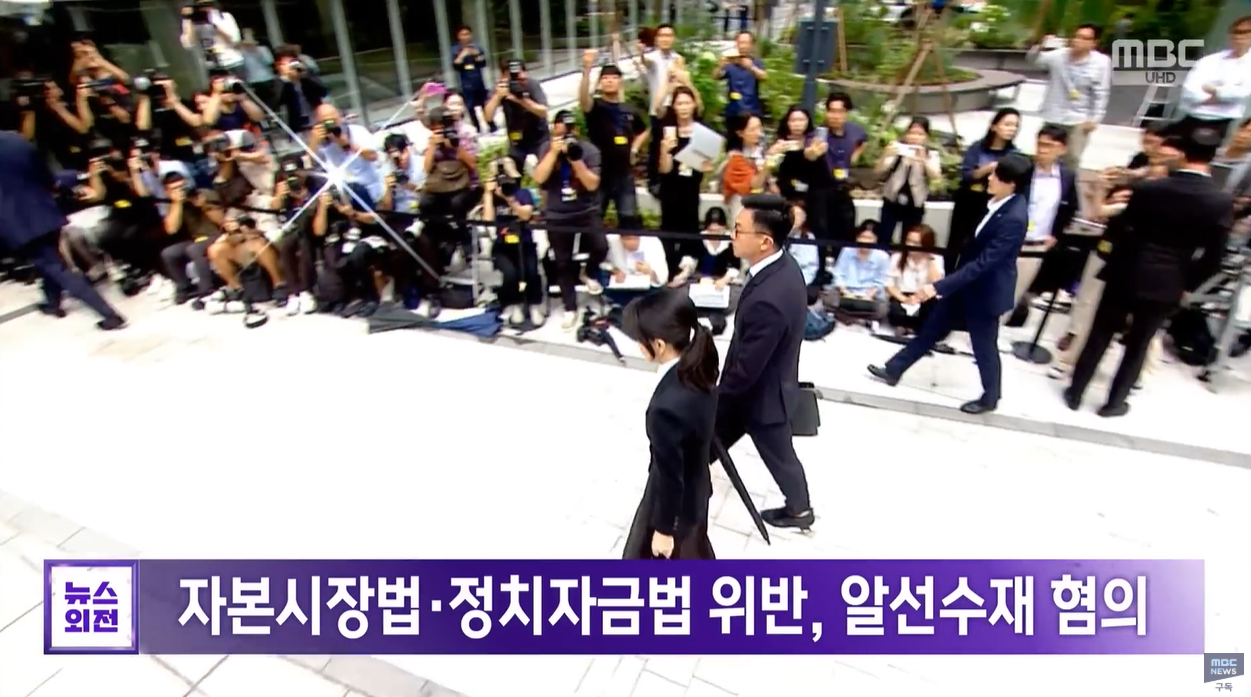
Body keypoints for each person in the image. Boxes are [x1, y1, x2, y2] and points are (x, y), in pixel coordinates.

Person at [1065, 128, 1232, 417]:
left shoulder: (1150, 189)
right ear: (1213, 157)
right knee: (1139, 344)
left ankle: (1076, 392)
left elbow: (1124, 229)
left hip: (1127, 270)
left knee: (1100, 334)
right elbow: (1214, 256)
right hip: (1170, 279)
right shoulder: (1219, 201)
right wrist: (1188, 284)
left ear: (1182, 153)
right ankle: (1114, 402)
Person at [868, 153, 1034, 415]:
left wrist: (938, 286)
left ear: (1011, 183)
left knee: (984, 348)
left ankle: (990, 397)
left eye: (995, 175)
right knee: (931, 330)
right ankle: (893, 369)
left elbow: (985, 263)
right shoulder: (996, 203)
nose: (989, 178)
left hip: (985, 293)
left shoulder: (1014, 218)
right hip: (964, 285)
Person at [718, 193, 813, 530]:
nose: (732, 235)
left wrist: (714, 395)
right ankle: (800, 509)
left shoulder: (769, 299)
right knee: (710, 441)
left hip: (760, 397)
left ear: (764, 241)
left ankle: (800, 511)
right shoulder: (783, 266)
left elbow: (746, 370)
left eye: (738, 230)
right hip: (769, 386)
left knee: (779, 456)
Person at [621, 288, 720, 560]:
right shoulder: (701, 361)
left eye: (641, 341)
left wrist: (665, 529)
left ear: (659, 345)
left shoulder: (665, 409)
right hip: (697, 485)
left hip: (676, 503)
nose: (639, 346)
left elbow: (671, 476)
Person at [0, 131, 125, 330]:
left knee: (56, 267)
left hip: (16, 221)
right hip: (43, 210)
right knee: (49, 261)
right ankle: (52, 303)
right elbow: (45, 176)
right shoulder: (15, 139)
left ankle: (110, 315)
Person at [1028, 24, 1112, 169]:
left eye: (1084, 38)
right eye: (1076, 36)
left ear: (1094, 43)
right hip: (1053, 114)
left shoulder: (1101, 62)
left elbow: (1101, 92)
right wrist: (1039, 45)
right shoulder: (1057, 56)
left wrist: (1095, 119)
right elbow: (1034, 61)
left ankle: (1067, 182)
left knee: (1072, 158)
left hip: (1079, 118)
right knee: (1044, 153)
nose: (1078, 41)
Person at [947, 108, 1019, 272]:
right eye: (1007, 124)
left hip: (991, 205)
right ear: (994, 126)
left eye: (1015, 126)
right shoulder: (977, 148)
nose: (1011, 129)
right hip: (967, 201)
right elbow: (966, 175)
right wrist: (988, 168)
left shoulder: (1013, 154)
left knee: (979, 245)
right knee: (955, 244)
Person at [1176, 16, 1251, 138]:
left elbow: (1241, 93)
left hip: (1221, 119)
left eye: (1244, 32)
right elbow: (1188, 90)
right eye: (1235, 32)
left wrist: (1214, 90)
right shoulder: (1209, 60)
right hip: (1193, 115)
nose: (1238, 36)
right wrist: (1216, 96)